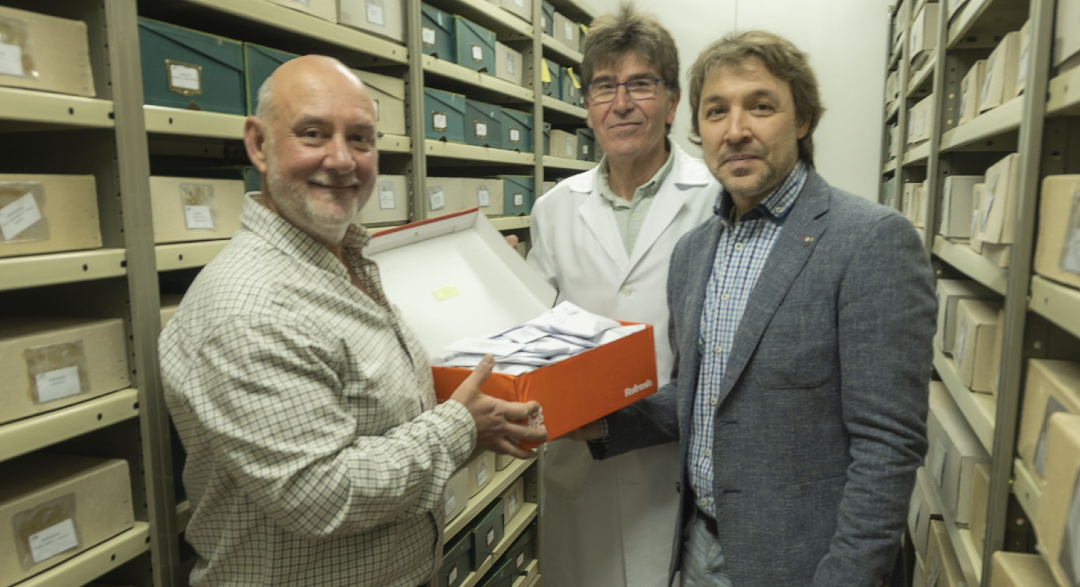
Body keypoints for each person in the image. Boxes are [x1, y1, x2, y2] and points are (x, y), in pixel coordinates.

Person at [159, 55, 546, 587]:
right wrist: (462, 426)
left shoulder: (347, 260)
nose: (342, 160)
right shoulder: (248, 307)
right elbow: (321, 494)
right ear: (258, 144)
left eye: (360, 139)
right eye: (313, 134)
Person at [580, 31, 937, 587]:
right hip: (698, 548)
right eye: (716, 111)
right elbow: (697, 395)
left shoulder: (871, 241)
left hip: (802, 566)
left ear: (803, 120)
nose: (736, 130)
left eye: (761, 106)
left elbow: (889, 445)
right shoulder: (693, 252)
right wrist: (596, 422)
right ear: (698, 129)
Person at [526, 4, 720, 586]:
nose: (622, 102)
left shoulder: (716, 199)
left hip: (678, 468)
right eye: (604, 86)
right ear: (587, 104)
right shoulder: (554, 209)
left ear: (673, 102)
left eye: (641, 84)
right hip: (580, 469)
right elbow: (534, 332)